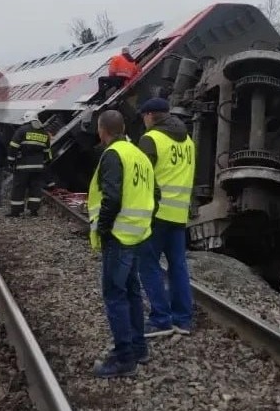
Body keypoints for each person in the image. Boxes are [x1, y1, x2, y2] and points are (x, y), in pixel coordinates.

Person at [88, 109, 158, 378]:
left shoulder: (114, 155)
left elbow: (112, 197)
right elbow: (156, 194)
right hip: (138, 234)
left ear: (103, 130)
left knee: (115, 296)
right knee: (131, 292)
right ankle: (139, 348)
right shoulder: (139, 155)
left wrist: (104, 228)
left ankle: (123, 358)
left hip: (118, 236)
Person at [136, 97, 196, 337]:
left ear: (150, 115)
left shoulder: (151, 139)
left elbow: (141, 178)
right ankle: (183, 319)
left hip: (155, 214)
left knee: (148, 264)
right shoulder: (188, 141)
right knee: (178, 266)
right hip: (179, 214)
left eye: (143, 116)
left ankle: (160, 319)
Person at [6, 114, 50, 217]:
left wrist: (11, 161)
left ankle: (16, 212)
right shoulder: (44, 133)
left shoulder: (22, 130)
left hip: (23, 166)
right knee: (35, 188)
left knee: (19, 188)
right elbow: (47, 152)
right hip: (38, 167)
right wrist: (42, 163)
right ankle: (33, 211)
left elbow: (13, 147)